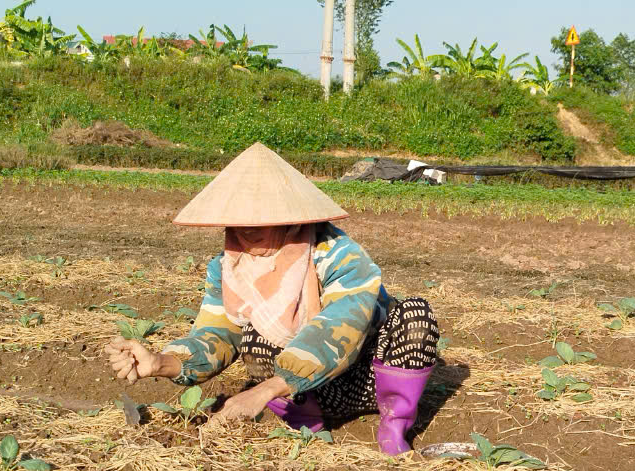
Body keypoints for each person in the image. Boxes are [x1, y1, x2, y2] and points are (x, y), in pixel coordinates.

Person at [104, 143, 441, 454]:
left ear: (290, 220)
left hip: (365, 377)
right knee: (255, 332)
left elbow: (345, 323)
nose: (246, 230)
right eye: (237, 222)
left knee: (415, 315)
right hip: (305, 391)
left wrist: (263, 391)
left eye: (260, 219)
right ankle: (305, 422)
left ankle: (394, 426)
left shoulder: (335, 254)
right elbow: (217, 333)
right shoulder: (228, 266)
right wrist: (161, 362)